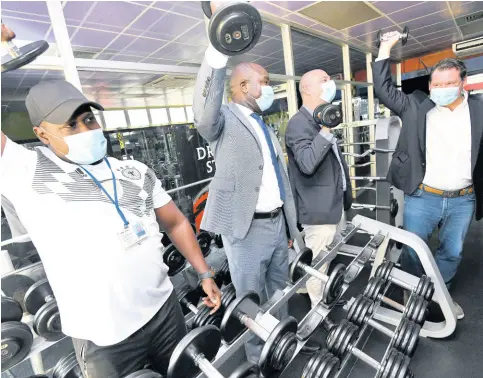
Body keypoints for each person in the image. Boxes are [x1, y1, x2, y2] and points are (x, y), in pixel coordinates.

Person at [0, 80, 222, 377]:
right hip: (104, 337)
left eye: (89, 119)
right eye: (71, 125)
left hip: (165, 311)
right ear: (42, 135)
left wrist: (204, 272)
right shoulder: (28, 173)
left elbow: (176, 221)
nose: (87, 130)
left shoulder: (134, 171)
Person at [192, 43, 302, 362]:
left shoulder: (263, 125)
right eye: (265, 82)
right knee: (250, 301)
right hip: (246, 230)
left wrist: (290, 226)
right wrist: (217, 55)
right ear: (243, 86)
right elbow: (203, 113)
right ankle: (258, 357)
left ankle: (280, 343)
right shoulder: (223, 119)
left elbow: (278, 180)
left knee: (280, 291)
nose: (269, 88)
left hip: (277, 224)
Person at [373, 32, 483, 319]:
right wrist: (385, 46)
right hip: (424, 196)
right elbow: (383, 89)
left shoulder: (479, 110)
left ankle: (439, 296)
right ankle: (410, 295)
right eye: (437, 83)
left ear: (463, 83)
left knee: (452, 253)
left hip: (463, 198)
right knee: (413, 250)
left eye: (449, 83)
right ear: (430, 85)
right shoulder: (417, 105)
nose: (442, 88)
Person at [285, 69, 353, 309]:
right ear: (307, 90)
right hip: (318, 209)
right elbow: (307, 164)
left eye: (329, 79)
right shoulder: (298, 124)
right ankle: (318, 308)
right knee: (319, 263)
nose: (330, 83)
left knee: (330, 254)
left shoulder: (320, 118)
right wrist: (325, 130)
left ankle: (321, 291)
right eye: (323, 80)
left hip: (334, 204)